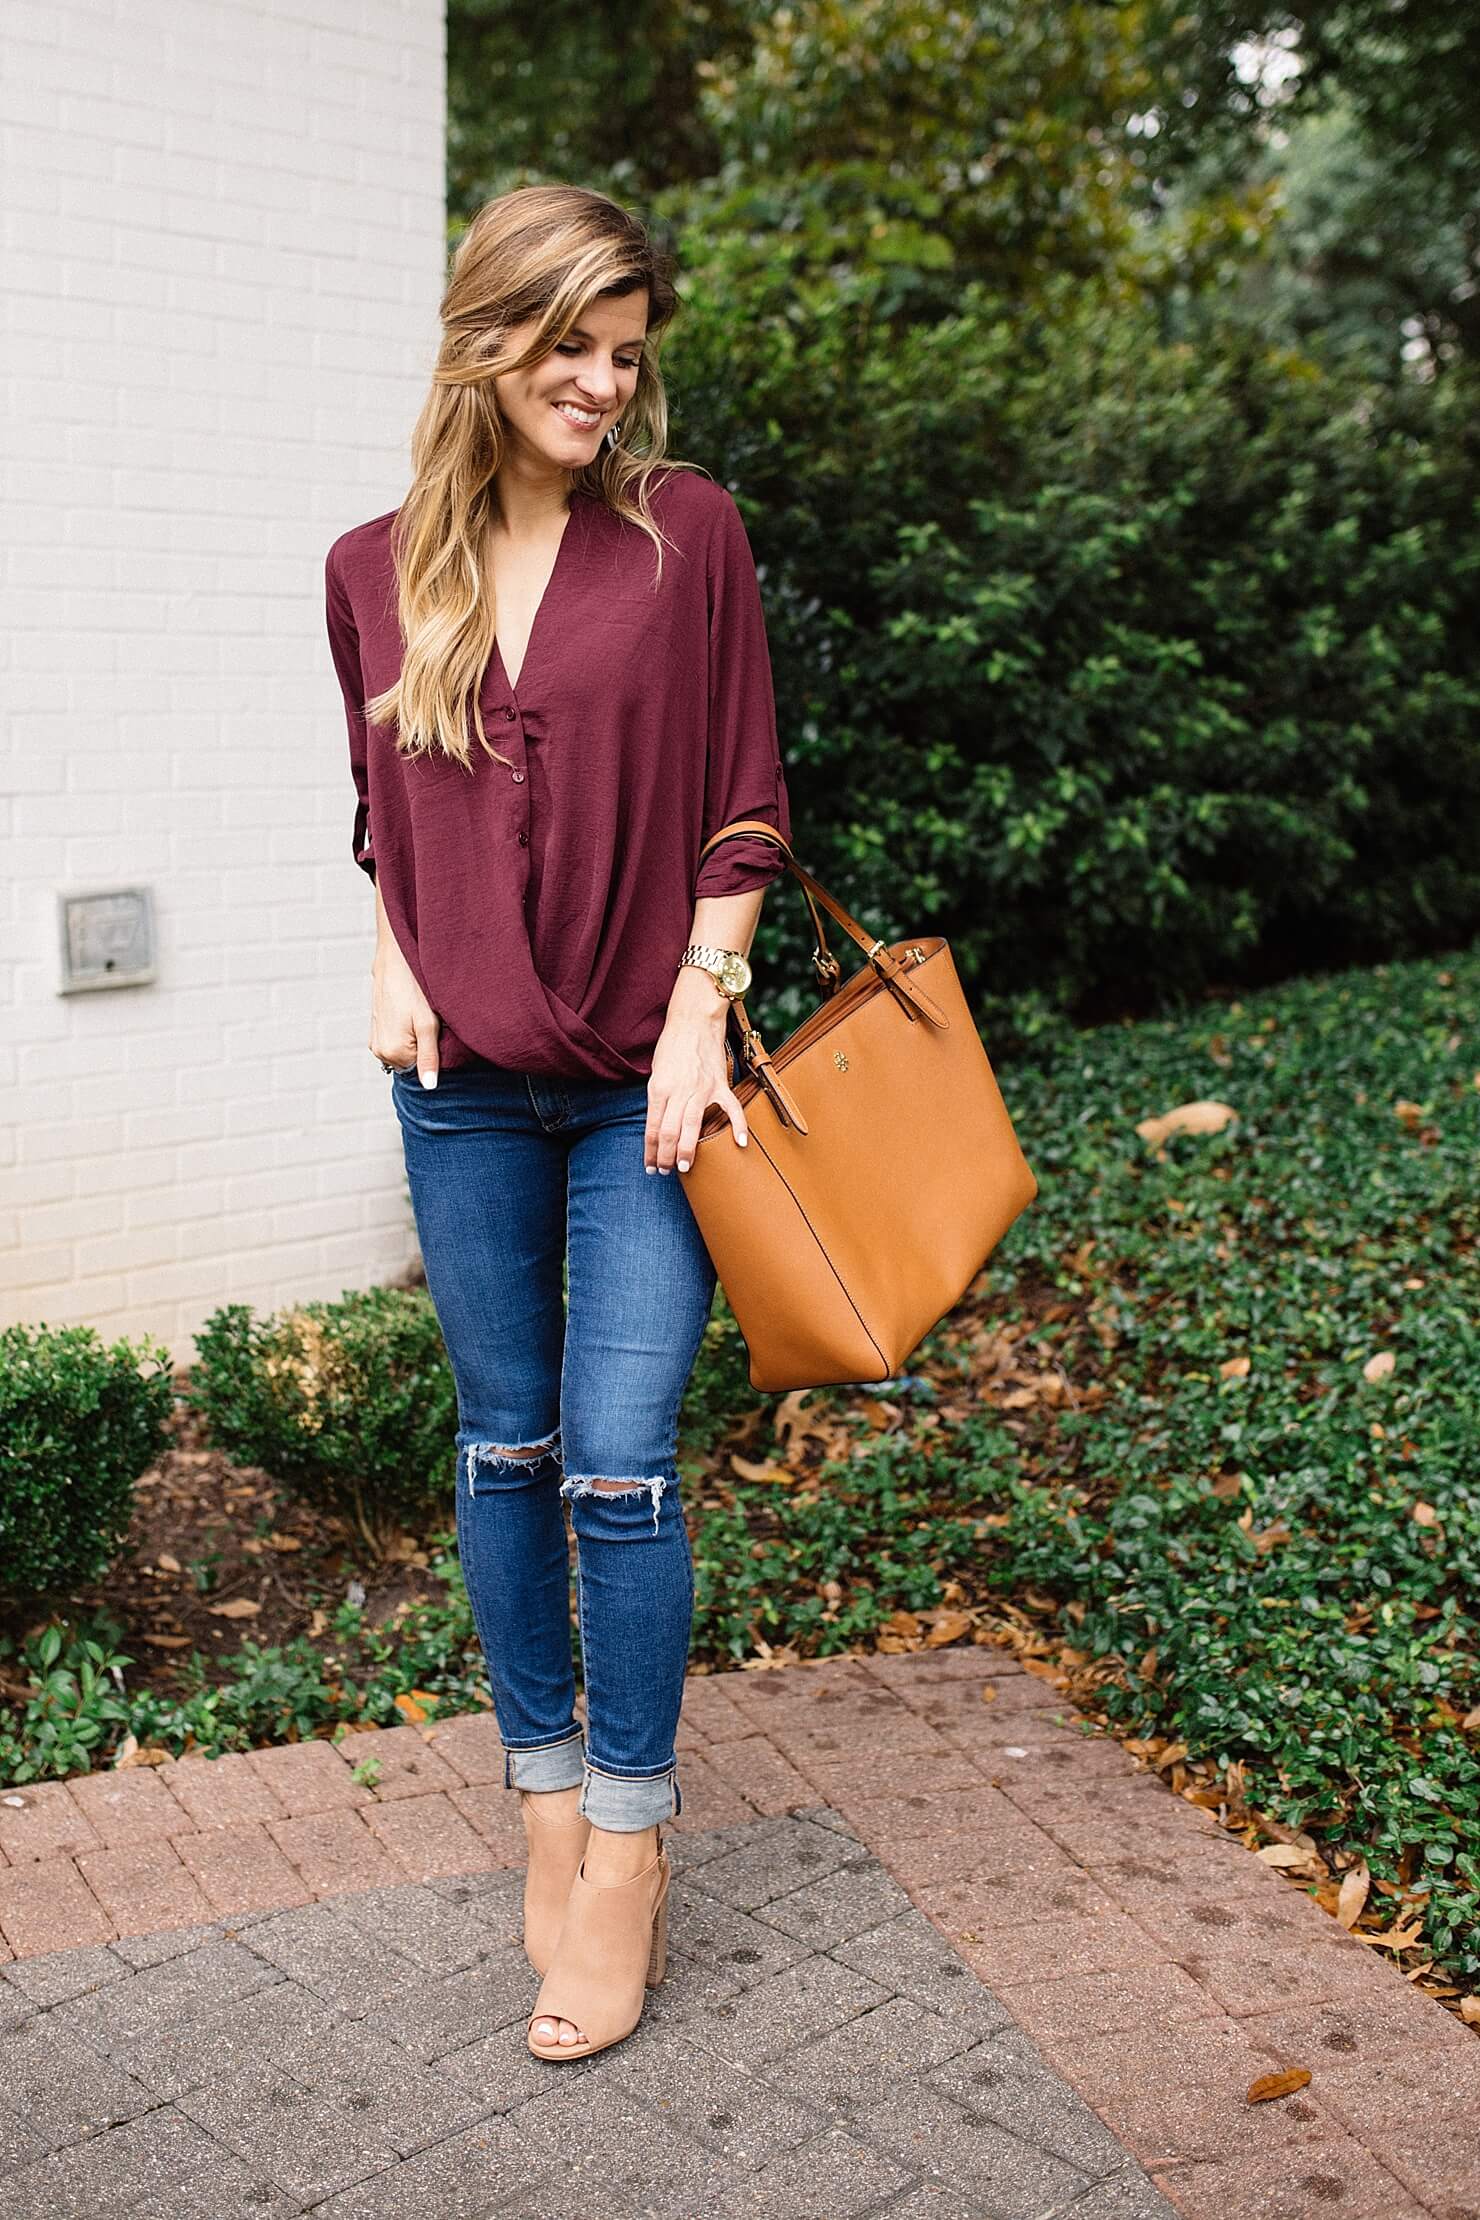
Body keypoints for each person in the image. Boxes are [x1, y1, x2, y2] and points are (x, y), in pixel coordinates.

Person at [322, 184, 792, 2062]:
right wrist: (390, 956)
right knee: (503, 1448)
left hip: (641, 1083)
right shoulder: (373, 568)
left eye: (626, 351)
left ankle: (626, 1845)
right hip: (461, 1091)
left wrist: (704, 1006)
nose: (604, 382)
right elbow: (382, 810)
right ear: (488, 339)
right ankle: (538, 1795)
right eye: (571, 344)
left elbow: (747, 800)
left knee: (620, 1461)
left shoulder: (688, 541)